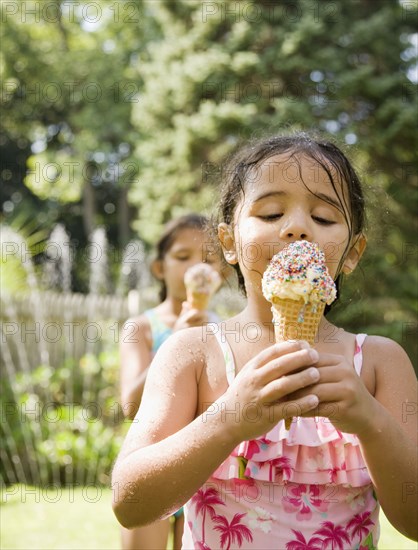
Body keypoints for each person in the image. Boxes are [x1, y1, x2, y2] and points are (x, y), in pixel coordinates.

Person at [112, 133, 417, 549]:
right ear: (228, 242)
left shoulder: (380, 363)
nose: (296, 228)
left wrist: (371, 421)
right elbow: (130, 503)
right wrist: (230, 419)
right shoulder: (193, 353)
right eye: (271, 213)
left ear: (352, 252)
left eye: (324, 218)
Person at [119, 213, 224, 550]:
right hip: (152, 464)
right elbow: (130, 405)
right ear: (159, 268)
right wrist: (177, 339)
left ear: (221, 273)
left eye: (208, 259)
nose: (197, 267)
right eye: (182, 257)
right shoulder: (141, 328)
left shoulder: (226, 331)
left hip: (205, 471)